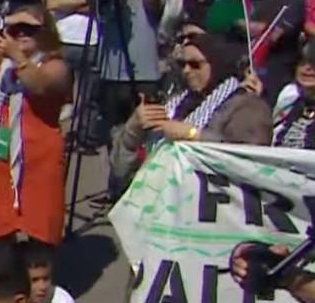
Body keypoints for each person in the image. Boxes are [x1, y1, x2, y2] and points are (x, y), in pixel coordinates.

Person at [0, 2, 71, 248]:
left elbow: (39, 85)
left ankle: (39, 280)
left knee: (41, 233)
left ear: (46, 32)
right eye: (17, 28)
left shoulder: (56, 66)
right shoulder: (2, 63)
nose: (21, 33)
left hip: (39, 159)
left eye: (30, 29)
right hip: (1, 155)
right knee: (1, 230)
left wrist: (17, 55)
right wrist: (5, 20)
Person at [112, 34, 272, 193]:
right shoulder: (175, 102)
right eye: (182, 64)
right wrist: (133, 129)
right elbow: (119, 170)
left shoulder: (247, 105)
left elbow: (249, 163)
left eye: (195, 65)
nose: (187, 71)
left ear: (217, 63)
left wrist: (193, 135)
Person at [90, 0, 164, 146]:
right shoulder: (109, 1)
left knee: (144, 134)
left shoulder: (149, 2)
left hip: (144, 78)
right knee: (114, 135)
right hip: (112, 77)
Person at [235, 0, 306, 103]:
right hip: (239, 74)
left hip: (275, 76)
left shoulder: (293, 0)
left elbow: (272, 36)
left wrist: (239, 23)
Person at [45, 0, 99, 112]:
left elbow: (99, 8)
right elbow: (52, 3)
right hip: (63, 40)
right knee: (59, 93)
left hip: (92, 41)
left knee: (87, 97)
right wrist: (85, 1)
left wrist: (67, 3)